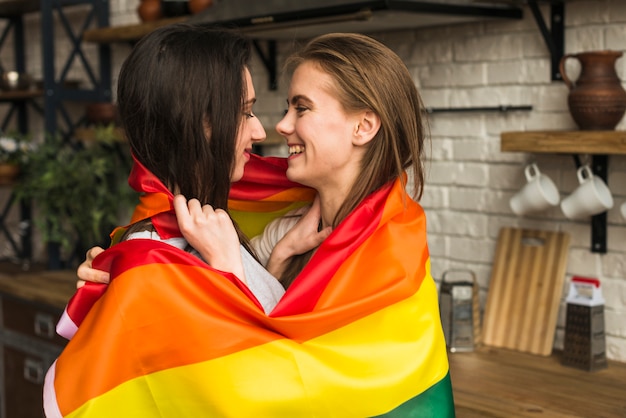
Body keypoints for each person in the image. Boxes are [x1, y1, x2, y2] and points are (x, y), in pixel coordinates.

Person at [61, 32, 455, 417]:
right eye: (245, 112)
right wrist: (209, 271)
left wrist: (267, 258)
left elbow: (294, 374)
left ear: (364, 127)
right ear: (200, 124)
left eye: (301, 108)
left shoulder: (390, 247)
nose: (272, 128)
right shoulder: (193, 240)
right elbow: (247, 381)